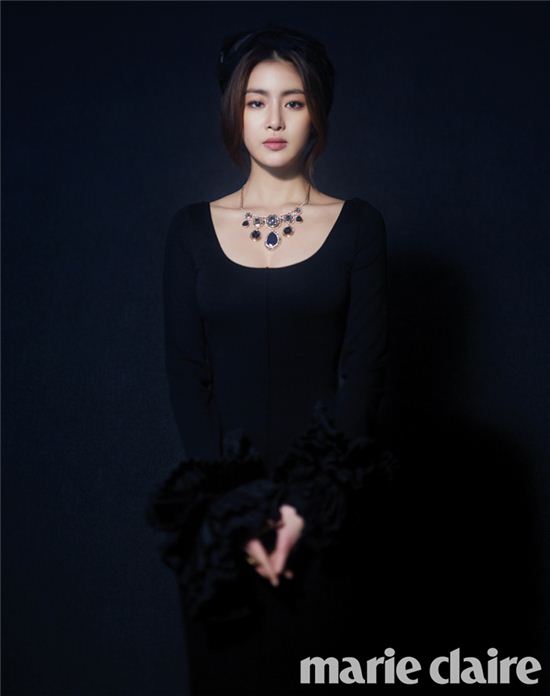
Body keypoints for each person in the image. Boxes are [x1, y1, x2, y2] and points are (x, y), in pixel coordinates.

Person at [147, 23, 397, 695]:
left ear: (318, 111)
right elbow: (186, 376)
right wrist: (237, 512)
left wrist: (303, 510)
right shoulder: (189, 231)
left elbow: (363, 372)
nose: (275, 120)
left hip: (327, 513)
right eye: (257, 101)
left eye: (293, 101)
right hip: (221, 519)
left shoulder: (359, 226)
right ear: (235, 111)